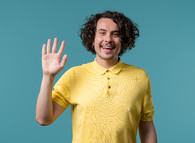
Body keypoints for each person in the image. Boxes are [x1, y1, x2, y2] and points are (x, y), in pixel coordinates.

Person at [36, 11, 157, 143]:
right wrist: (48, 77)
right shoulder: (75, 75)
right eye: (102, 33)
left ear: (123, 40)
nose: (108, 39)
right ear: (92, 39)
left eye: (115, 34)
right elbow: (43, 119)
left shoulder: (140, 77)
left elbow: (147, 125)